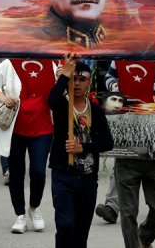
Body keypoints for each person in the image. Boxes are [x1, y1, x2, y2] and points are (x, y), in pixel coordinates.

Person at [48, 55, 114, 248]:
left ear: (89, 82)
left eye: (82, 79)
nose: (77, 83)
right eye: (73, 79)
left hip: (87, 179)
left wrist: (83, 147)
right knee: (66, 225)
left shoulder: (95, 110)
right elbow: (51, 100)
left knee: (81, 231)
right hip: (64, 176)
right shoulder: (62, 105)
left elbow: (107, 142)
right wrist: (65, 75)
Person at [0, 59, 55, 234]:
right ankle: (20, 214)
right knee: (16, 173)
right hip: (15, 127)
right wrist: (3, 97)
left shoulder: (54, 63)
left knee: (38, 171)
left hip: (43, 127)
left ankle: (34, 207)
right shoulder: (10, 62)